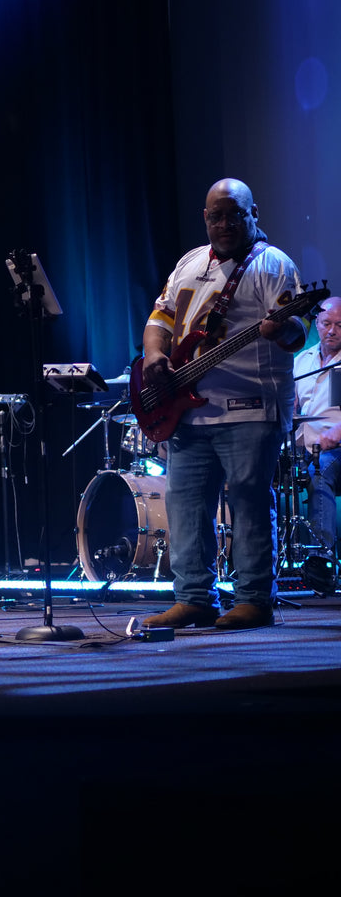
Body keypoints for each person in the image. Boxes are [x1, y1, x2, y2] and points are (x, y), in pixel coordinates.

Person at [142, 178, 307, 631]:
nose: (225, 223)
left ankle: (254, 599)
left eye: (235, 214)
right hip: (188, 409)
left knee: (249, 501)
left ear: (254, 214)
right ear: (205, 218)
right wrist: (154, 354)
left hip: (251, 407)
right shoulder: (190, 262)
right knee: (185, 506)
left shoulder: (273, 265)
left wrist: (284, 329)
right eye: (216, 215)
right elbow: (161, 317)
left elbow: (298, 331)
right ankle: (194, 598)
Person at [292, 296, 341, 555]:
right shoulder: (302, 360)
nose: (332, 330)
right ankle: (270, 558)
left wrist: (336, 433)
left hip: (336, 450)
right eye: (327, 323)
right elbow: (291, 407)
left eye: (340, 325)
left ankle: (321, 559)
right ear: (317, 324)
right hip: (303, 449)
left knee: (319, 471)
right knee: (258, 471)